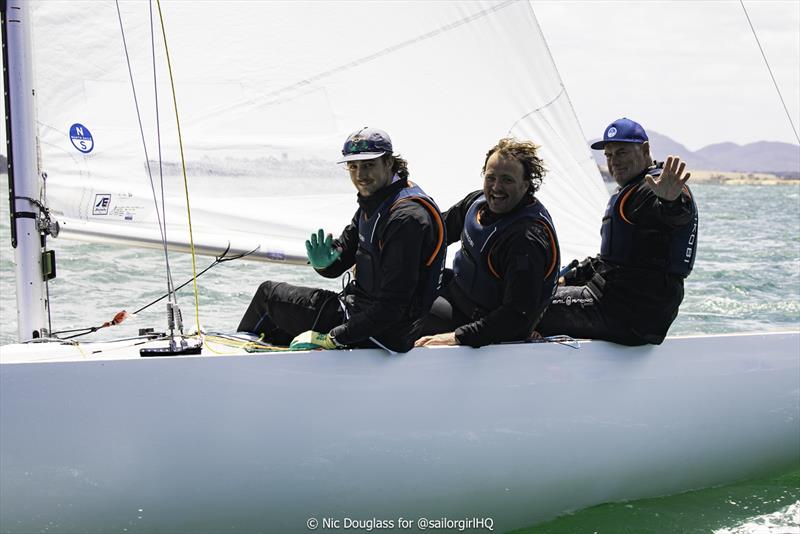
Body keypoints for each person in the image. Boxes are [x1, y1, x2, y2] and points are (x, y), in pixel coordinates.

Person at [237, 127, 446, 353]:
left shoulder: (405, 219)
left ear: (388, 163)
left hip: (380, 332)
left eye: (368, 165)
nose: (360, 175)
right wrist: (323, 264)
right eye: (353, 166)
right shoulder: (377, 201)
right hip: (362, 315)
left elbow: (392, 307)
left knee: (269, 296)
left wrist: (332, 338)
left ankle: (232, 364)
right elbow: (342, 256)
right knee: (278, 323)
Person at [536, 117, 698, 345]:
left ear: (645, 150)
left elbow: (677, 215)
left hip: (627, 311)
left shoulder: (657, 188)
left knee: (529, 307)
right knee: (538, 293)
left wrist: (672, 202)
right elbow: (611, 260)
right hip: (621, 304)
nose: (614, 162)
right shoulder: (631, 190)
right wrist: (565, 278)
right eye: (609, 156)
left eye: (621, 152)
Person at [415, 137, 560, 348]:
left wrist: (456, 337)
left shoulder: (525, 239)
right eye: (490, 178)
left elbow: (517, 316)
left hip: (482, 322)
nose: (496, 188)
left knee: (403, 313)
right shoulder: (476, 203)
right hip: (456, 291)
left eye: (507, 180)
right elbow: (434, 235)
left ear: (526, 185)